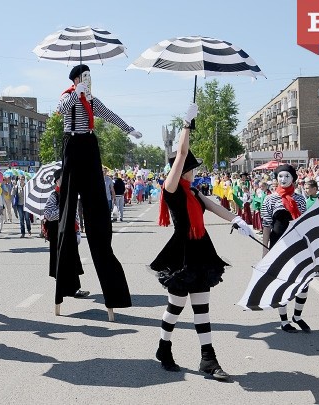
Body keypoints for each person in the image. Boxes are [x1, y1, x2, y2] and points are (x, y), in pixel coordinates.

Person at [150, 103, 254, 381]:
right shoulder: (171, 189)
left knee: (202, 308)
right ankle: (164, 346)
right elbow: (182, 152)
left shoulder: (194, 192)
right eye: (191, 168)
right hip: (181, 252)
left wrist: (237, 221)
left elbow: (215, 207)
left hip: (201, 249)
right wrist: (186, 124)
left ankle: (208, 359)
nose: (194, 171)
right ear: (182, 170)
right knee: (175, 307)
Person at [55, 64, 140, 309]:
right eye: (84, 77)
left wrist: (129, 129)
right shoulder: (67, 96)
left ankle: (112, 288)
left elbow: (109, 114)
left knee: (96, 208)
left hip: (89, 147)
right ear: (75, 79)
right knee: (68, 205)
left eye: (90, 77)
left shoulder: (92, 100)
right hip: (72, 146)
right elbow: (60, 111)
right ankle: (66, 281)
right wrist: (75, 93)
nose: (88, 81)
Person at [261, 164, 309, 332]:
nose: (283, 179)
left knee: (304, 282)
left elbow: (304, 223)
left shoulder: (300, 199)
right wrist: (265, 250)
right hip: (277, 245)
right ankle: (284, 321)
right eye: (280, 176)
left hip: (297, 245)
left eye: (287, 176)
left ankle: (298, 316)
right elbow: (266, 226)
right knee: (282, 283)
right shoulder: (269, 199)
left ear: (293, 179)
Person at [43, 168, 88, 298]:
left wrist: (78, 230)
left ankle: (75, 289)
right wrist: (63, 211)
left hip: (70, 234)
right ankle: (61, 289)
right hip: (58, 236)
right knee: (60, 262)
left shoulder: (69, 194)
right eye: (63, 178)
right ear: (57, 181)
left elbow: (75, 215)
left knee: (72, 262)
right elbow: (48, 214)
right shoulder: (54, 196)